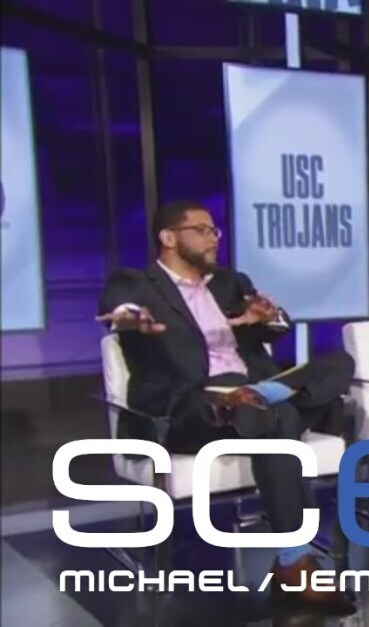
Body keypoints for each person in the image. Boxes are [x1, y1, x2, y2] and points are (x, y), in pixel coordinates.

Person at [96, 199, 355, 610]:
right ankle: (294, 561)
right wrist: (130, 318)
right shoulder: (138, 283)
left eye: (214, 230)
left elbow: (276, 326)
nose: (213, 238)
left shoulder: (229, 282)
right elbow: (119, 308)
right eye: (202, 230)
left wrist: (268, 317)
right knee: (277, 416)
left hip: (249, 393)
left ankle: (262, 397)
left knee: (339, 363)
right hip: (188, 405)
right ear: (168, 238)